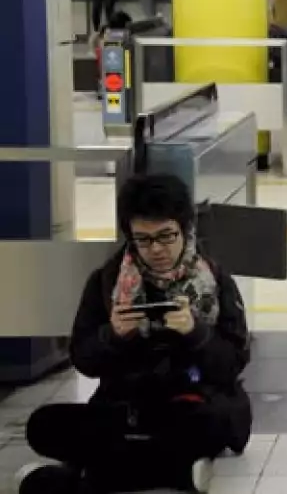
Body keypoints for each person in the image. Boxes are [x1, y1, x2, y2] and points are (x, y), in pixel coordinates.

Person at [14, 174, 251, 494]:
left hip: (193, 402)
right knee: (44, 425)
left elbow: (233, 362)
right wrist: (111, 336)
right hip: (126, 406)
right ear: (130, 238)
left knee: (211, 422)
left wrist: (196, 334)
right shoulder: (107, 282)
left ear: (185, 230)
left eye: (166, 236)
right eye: (144, 239)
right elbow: (83, 358)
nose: (156, 249)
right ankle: (175, 473)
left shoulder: (214, 280)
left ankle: (83, 481)